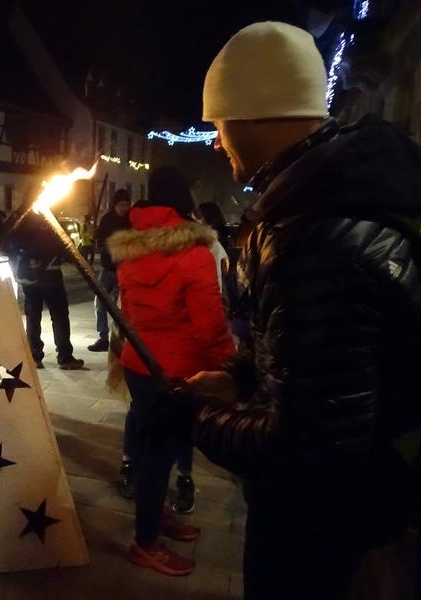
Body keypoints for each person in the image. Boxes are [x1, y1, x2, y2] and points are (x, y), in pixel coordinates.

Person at [188, 22, 421, 599]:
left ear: (252, 114)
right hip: (360, 508)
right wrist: (243, 376)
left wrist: (191, 420)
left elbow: (310, 452)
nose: (217, 142)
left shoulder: (317, 238)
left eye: (219, 124)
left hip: (325, 531)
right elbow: (325, 356)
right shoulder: (330, 198)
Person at [107, 166, 235, 576]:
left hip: (139, 364)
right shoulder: (194, 253)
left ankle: (156, 515)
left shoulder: (131, 250)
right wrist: (230, 366)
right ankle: (146, 542)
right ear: (184, 204)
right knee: (159, 456)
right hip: (176, 374)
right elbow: (210, 323)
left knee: (149, 450)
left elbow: (127, 310)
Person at [10, 212, 84, 370]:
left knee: (35, 317)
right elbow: (65, 249)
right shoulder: (48, 223)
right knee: (58, 317)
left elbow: (12, 245)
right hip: (49, 278)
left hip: (33, 279)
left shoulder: (22, 223)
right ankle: (63, 356)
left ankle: (35, 355)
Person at [87, 189, 131, 352]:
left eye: (127, 205)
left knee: (123, 306)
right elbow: (100, 239)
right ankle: (103, 337)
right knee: (100, 303)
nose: (124, 208)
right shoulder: (107, 220)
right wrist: (94, 235)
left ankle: (123, 338)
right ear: (115, 205)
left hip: (125, 268)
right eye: (121, 205)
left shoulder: (130, 220)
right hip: (108, 268)